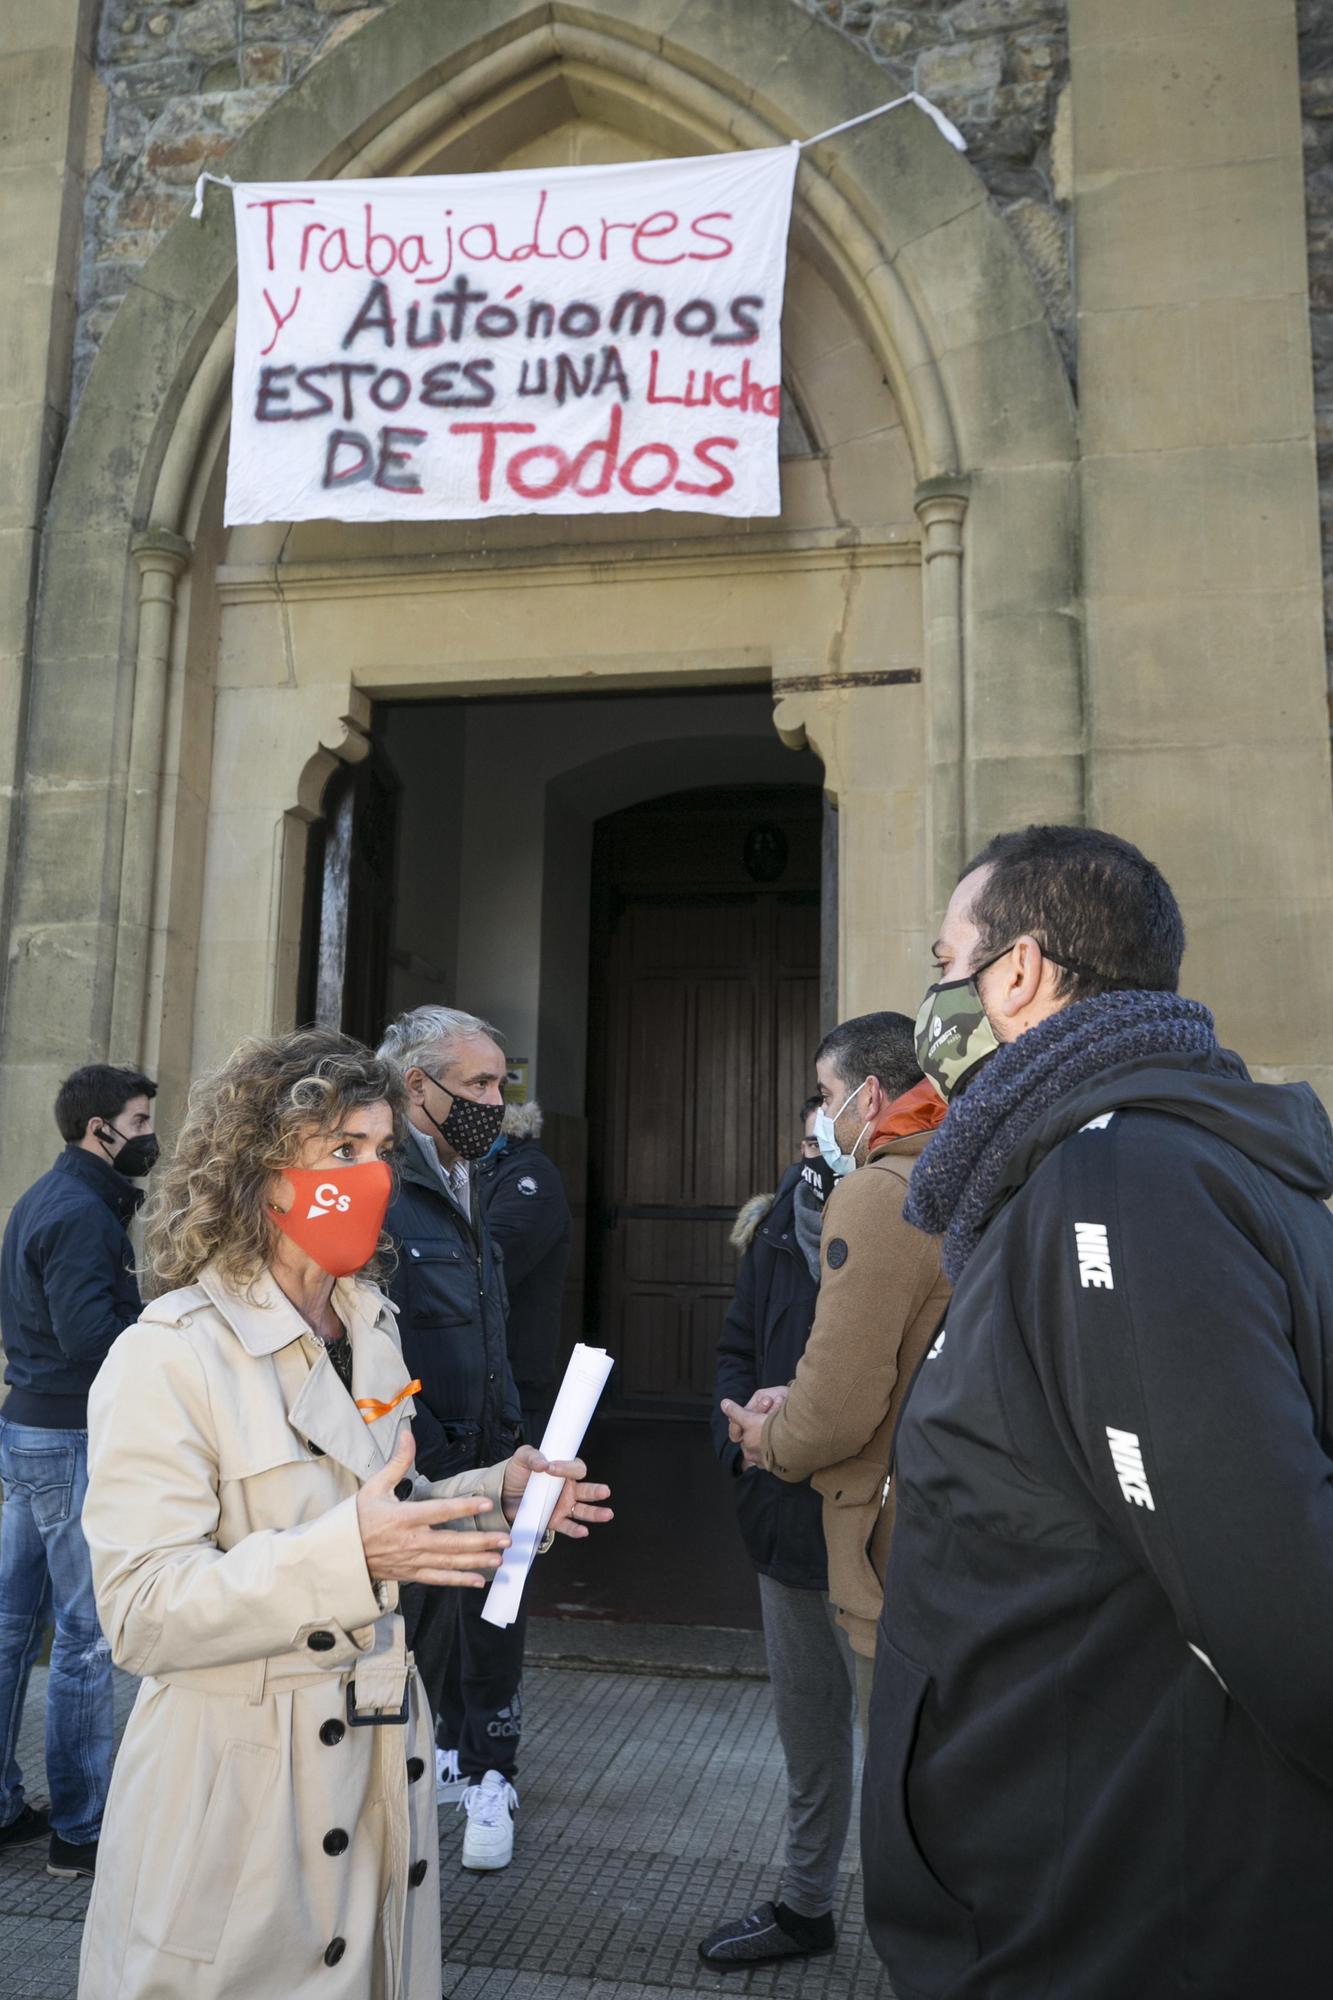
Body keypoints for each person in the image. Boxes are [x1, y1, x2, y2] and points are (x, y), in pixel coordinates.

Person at [863, 824, 1333, 2000]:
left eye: (944, 958)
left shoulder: (1117, 1182)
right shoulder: (1144, 1161)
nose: (933, 996)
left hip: (1111, 1905)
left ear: (1015, 972)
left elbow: (1279, 1607)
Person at [77, 1028, 609, 2000]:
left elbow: (380, 1509)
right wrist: (347, 1551)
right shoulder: (170, 1352)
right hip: (238, 1795)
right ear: (263, 1174)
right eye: (341, 1152)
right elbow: (140, 1609)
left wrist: (489, 1488)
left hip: (373, 1774)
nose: (370, 1176)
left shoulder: (370, 1320)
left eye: (378, 1149)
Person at [721, 1014, 949, 1752]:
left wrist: (770, 1439)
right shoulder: (958, 1169)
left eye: (826, 1096)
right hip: (949, 1506)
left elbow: (841, 1403)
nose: (820, 1117)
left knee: (895, 1764)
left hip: (886, 1522)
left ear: (870, 1096)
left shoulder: (880, 1191)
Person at [698, 1095, 848, 1971]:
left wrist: (799, 1426)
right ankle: (806, 1906)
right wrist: (738, 1437)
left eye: (830, 1108)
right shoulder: (778, 1223)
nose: (816, 1140)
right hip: (782, 1522)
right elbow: (735, 1349)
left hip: (884, 1528)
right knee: (810, 1735)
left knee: (920, 1745)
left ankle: (942, 1921)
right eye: (805, 1128)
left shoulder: (926, 1213)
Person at [376, 1005, 528, 1867]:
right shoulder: (382, 1184)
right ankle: (426, 1768)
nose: (494, 1100)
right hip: (427, 1464)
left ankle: (489, 1777)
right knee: (421, 1631)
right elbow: (368, 1344)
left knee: (497, 1625)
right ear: (416, 1086)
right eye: (476, 1083)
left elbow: (484, 1316)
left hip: (495, 1452)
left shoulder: (475, 1170)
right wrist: (430, 1451)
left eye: (499, 1082)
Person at [0, 1062, 158, 1880]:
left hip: (27, 1431)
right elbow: (88, 1337)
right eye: (137, 1121)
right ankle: (81, 1829)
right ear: (98, 1129)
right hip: (65, 1438)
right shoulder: (82, 1214)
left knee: (11, 1630)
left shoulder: (42, 1198)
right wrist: (162, 1339)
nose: (146, 1137)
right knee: (83, 1640)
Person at [477, 1099, 573, 1447]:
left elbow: (493, 1261)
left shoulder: (530, 1176)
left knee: (518, 1481)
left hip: (516, 1372)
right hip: (482, 1371)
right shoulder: (479, 1169)